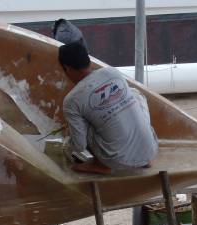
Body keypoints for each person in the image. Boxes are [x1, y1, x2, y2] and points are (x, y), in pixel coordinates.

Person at [59, 42, 158, 174]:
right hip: (151, 150)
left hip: (116, 160)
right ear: (88, 59)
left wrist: (67, 143)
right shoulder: (112, 72)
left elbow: (79, 145)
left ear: (67, 68)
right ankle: (143, 159)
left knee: (84, 122)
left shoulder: (72, 100)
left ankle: (101, 165)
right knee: (135, 94)